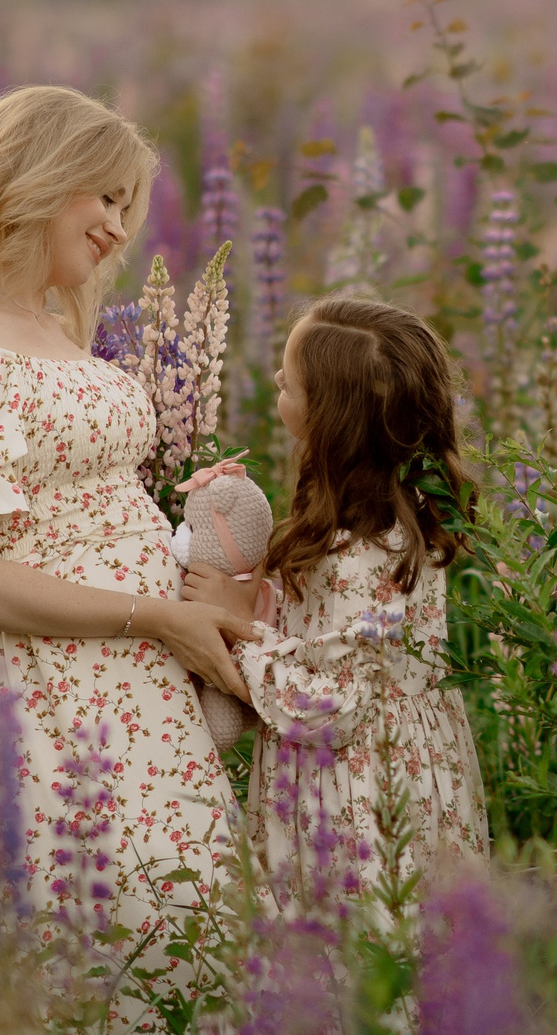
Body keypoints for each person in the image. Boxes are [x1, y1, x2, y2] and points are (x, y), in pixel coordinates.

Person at [0, 84, 254, 1035]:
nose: (120, 224)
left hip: (139, 691)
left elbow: (86, 509)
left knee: (190, 942)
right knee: (80, 959)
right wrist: (156, 618)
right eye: (104, 196)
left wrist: (203, 553)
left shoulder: (50, 323)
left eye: (128, 203)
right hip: (36, 701)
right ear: (35, 179)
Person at [183, 296, 488, 901]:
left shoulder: (367, 552)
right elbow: (336, 639)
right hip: (402, 762)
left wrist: (243, 627)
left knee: (360, 927)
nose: (276, 380)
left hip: (358, 791)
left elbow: (330, 707)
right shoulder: (393, 514)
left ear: (329, 419)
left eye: (287, 383)